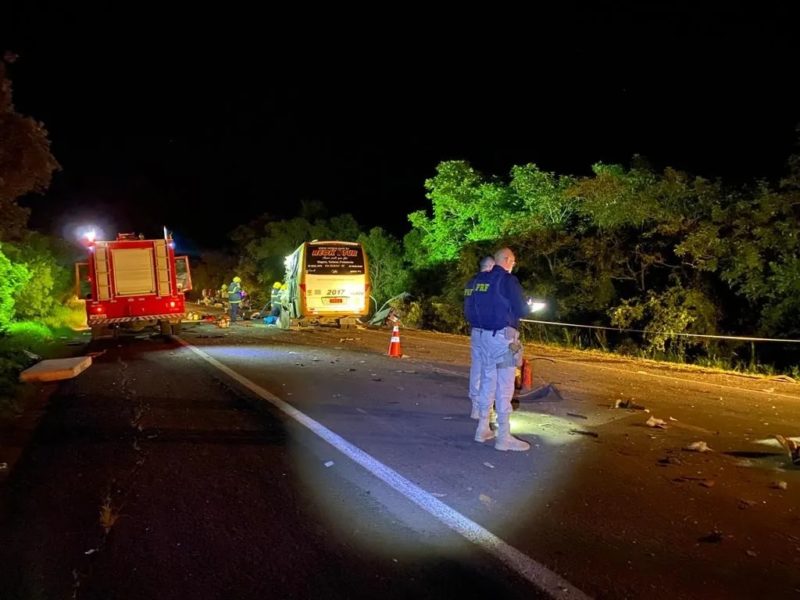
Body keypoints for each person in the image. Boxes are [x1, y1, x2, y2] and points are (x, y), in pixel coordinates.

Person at [468, 247, 531, 451]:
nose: (513, 265)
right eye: (512, 261)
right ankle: (504, 437)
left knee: (487, 381)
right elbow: (522, 308)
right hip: (502, 340)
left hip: (483, 337)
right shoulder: (507, 280)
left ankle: (482, 428)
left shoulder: (481, 280)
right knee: (504, 387)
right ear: (505, 259)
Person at [464, 255, 496, 421]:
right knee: (489, 371)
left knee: (476, 369)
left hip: (475, 330)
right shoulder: (490, 282)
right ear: (490, 266)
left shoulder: (472, 282)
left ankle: (475, 407)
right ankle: (485, 409)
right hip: (488, 330)